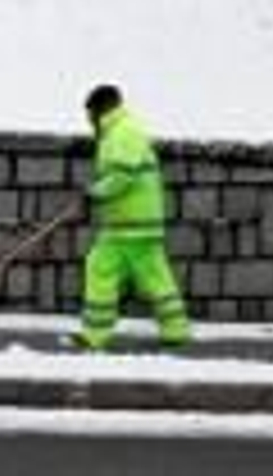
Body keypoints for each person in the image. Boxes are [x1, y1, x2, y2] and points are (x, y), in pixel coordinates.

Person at [74, 83, 191, 351]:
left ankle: (96, 335)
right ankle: (174, 330)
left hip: (130, 225)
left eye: (89, 114)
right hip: (130, 225)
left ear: (100, 109)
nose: (88, 121)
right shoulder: (121, 130)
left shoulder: (123, 132)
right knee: (149, 277)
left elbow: (122, 175)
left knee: (112, 272)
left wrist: (94, 193)